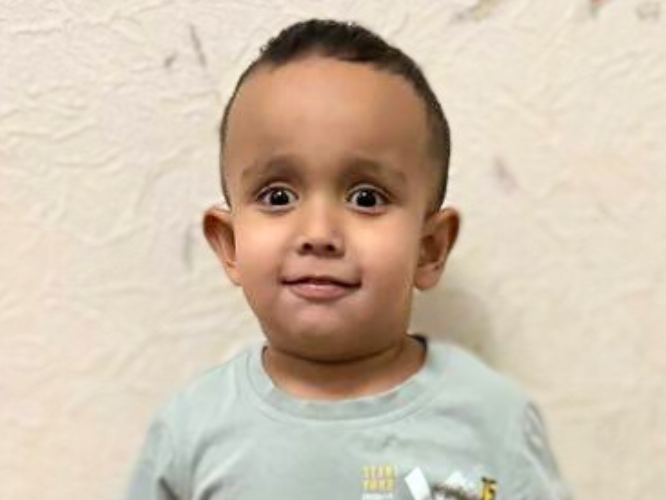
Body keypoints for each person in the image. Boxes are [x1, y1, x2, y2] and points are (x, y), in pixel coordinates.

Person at [120, 18, 573, 500]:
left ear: (429, 248)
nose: (318, 234)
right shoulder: (190, 435)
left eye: (366, 198)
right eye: (277, 196)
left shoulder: (494, 422)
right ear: (230, 245)